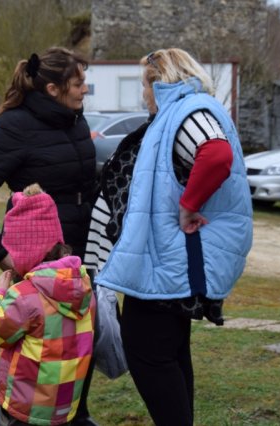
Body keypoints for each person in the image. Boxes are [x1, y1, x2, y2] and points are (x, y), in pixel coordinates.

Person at [85, 48, 253, 425]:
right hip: (167, 265)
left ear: (159, 83)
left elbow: (216, 155)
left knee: (148, 353)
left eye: (144, 85)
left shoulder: (188, 111)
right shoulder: (188, 109)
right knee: (170, 354)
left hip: (170, 265)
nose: (143, 96)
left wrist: (188, 205)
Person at [0, 46, 98, 425]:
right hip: (40, 264)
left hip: (83, 257)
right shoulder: (16, 125)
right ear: (52, 89)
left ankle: (75, 415)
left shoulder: (75, 120)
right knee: (41, 355)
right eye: (78, 82)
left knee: (79, 347)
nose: (85, 89)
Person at [0, 184, 96, 426]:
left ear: (25, 251)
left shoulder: (25, 295)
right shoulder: (83, 287)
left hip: (24, 409)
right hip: (63, 408)